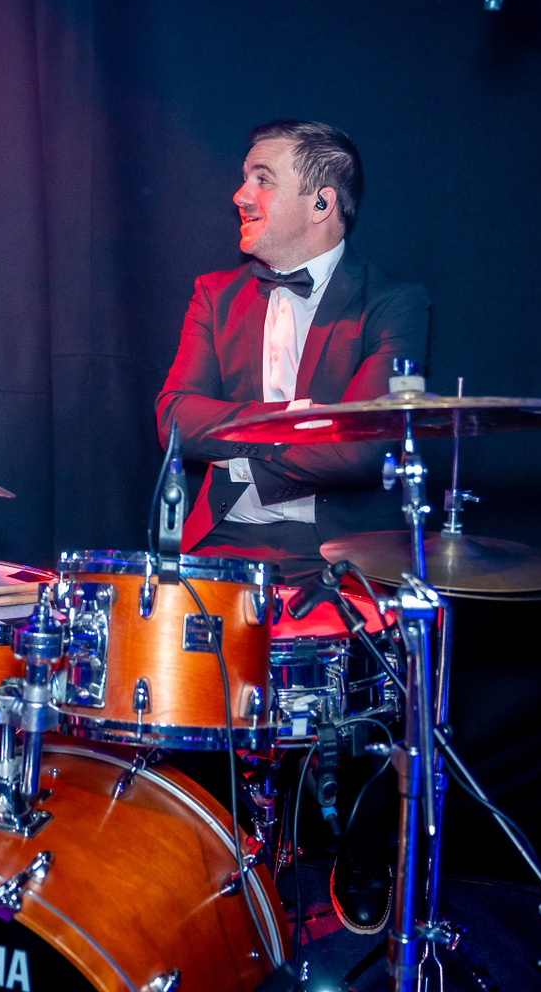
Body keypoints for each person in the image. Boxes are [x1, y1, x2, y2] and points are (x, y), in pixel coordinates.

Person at [155, 119, 428, 934]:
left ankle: (365, 854)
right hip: (222, 549)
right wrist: (299, 422)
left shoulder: (393, 302)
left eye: (261, 178)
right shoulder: (214, 293)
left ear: (322, 201)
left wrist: (241, 444)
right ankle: (197, 855)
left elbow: (365, 447)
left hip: (336, 556)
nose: (240, 194)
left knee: (397, 683)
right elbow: (174, 418)